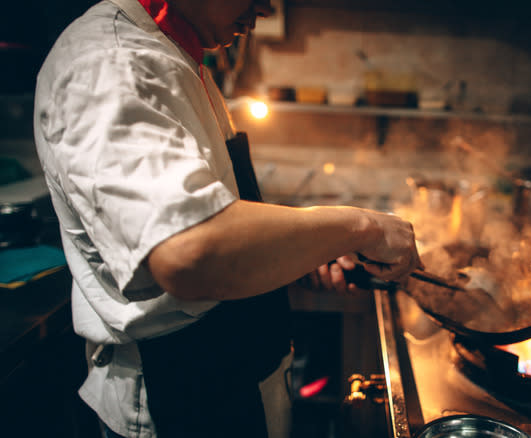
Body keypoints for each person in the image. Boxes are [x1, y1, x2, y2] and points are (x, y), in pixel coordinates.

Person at [32, 0, 422, 437]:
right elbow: (189, 251)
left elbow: (218, 228)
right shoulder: (113, 62)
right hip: (181, 399)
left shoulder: (176, 56)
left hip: (235, 378)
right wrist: (361, 226)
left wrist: (297, 257)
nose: (267, 7)